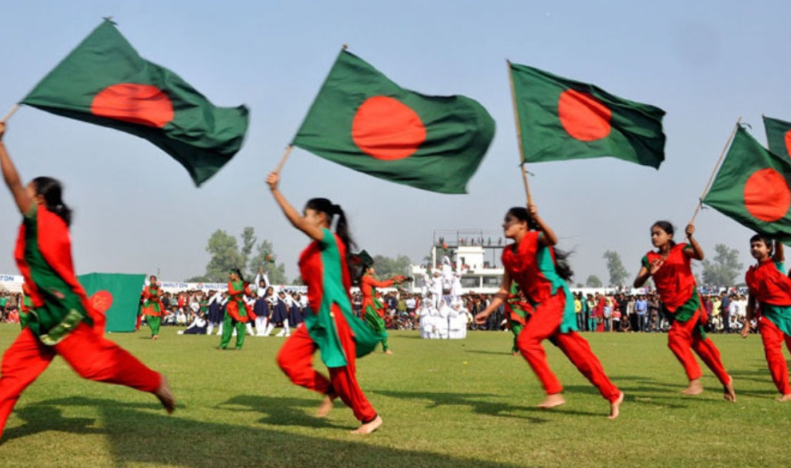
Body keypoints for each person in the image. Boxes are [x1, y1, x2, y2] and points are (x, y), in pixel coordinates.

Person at [0, 122, 174, 441]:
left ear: (40, 199)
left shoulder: (42, 222)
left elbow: (11, 183)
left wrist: (0, 144)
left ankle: (156, 382)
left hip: (61, 316)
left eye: (28, 190)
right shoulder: (45, 225)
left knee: (93, 366)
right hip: (43, 317)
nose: (23, 193)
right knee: (11, 371)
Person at [475, 205, 623, 419]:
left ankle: (553, 391)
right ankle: (613, 394)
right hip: (542, 307)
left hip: (555, 300)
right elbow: (505, 289)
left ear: (523, 224)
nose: (503, 224)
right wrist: (488, 310)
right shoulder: (507, 254)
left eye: (508, 220)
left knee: (526, 340)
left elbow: (552, 239)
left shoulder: (536, 239)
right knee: (579, 355)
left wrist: (539, 218)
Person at [267, 171, 384, 434]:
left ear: (320, 218)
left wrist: (275, 191)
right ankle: (329, 390)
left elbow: (297, 223)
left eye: (307, 215)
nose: (304, 219)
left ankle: (370, 418)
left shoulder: (331, 241)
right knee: (288, 360)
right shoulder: (312, 249)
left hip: (333, 316)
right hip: (316, 317)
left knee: (343, 375)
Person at [633, 221, 735, 401]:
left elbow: (700, 255)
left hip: (689, 303)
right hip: (671, 309)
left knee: (676, 338)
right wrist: (650, 273)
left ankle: (694, 380)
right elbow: (636, 283)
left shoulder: (681, 249)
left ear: (669, 236)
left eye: (658, 233)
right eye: (652, 234)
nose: (654, 237)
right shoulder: (650, 258)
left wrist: (691, 238)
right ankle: (726, 380)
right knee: (700, 345)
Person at [742, 235, 791, 401]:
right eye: (752, 246)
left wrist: (776, 232)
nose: (754, 248)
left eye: (758, 245)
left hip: (788, 312)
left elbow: (780, 249)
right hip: (768, 317)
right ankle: (786, 391)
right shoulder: (751, 274)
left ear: (769, 248)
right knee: (772, 354)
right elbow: (751, 300)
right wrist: (747, 323)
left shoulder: (776, 262)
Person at [360, 259, 406, 353]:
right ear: (367, 270)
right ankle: (385, 348)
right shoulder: (367, 278)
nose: (374, 269)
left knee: (371, 327)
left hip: (368, 304)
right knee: (380, 324)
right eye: (372, 268)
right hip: (370, 305)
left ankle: (369, 348)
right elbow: (381, 285)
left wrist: (394, 281)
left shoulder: (365, 278)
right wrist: (393, 281)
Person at [219, 268, 256, 350]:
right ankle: (223, 345)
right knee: (227, 327)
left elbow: (248, 293)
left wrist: (246, 289)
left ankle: (238, 346)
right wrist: (241, 290)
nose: (229, 275)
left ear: (236, 275)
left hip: (240, 307)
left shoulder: (243, 284)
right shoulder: (230, 283)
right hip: (231, 306)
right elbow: (231, 292)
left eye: (230, 274)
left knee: (241, 327)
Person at [140, 275, 166, 340]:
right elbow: (148, 294)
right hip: (149, 304)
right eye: (151, 280)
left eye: (154, 280)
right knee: (149, 318)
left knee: (157, 320)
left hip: (156, 304)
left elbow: (159, 294)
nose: (152, 281)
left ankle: (154, 334)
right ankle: (155, 333)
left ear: (155, 281)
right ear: (150, 281)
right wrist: (156, 294)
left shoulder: (158, 288)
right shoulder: (147, 287)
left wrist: (158, 294)